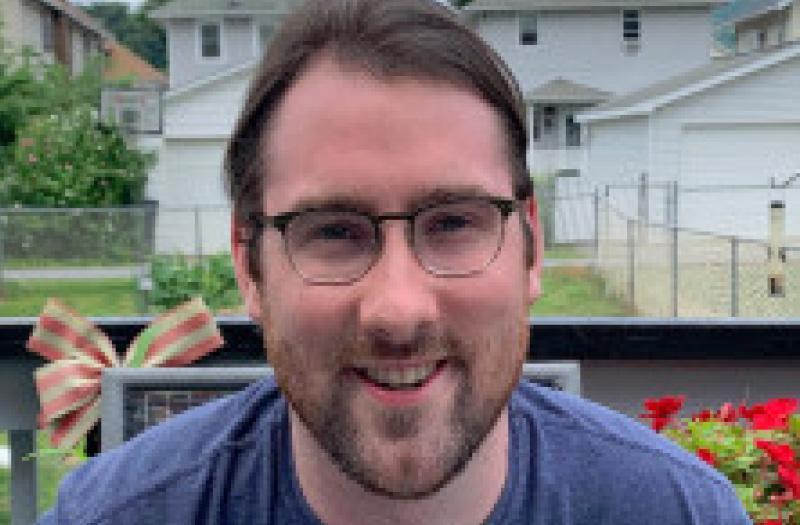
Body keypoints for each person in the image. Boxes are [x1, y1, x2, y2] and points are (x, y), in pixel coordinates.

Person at [39, 0, 752, 523]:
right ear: (250, 265)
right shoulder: (117, 515)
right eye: (335, 232)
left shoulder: (679, 512)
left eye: (453, 223)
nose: (399, 307)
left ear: (529, 244)